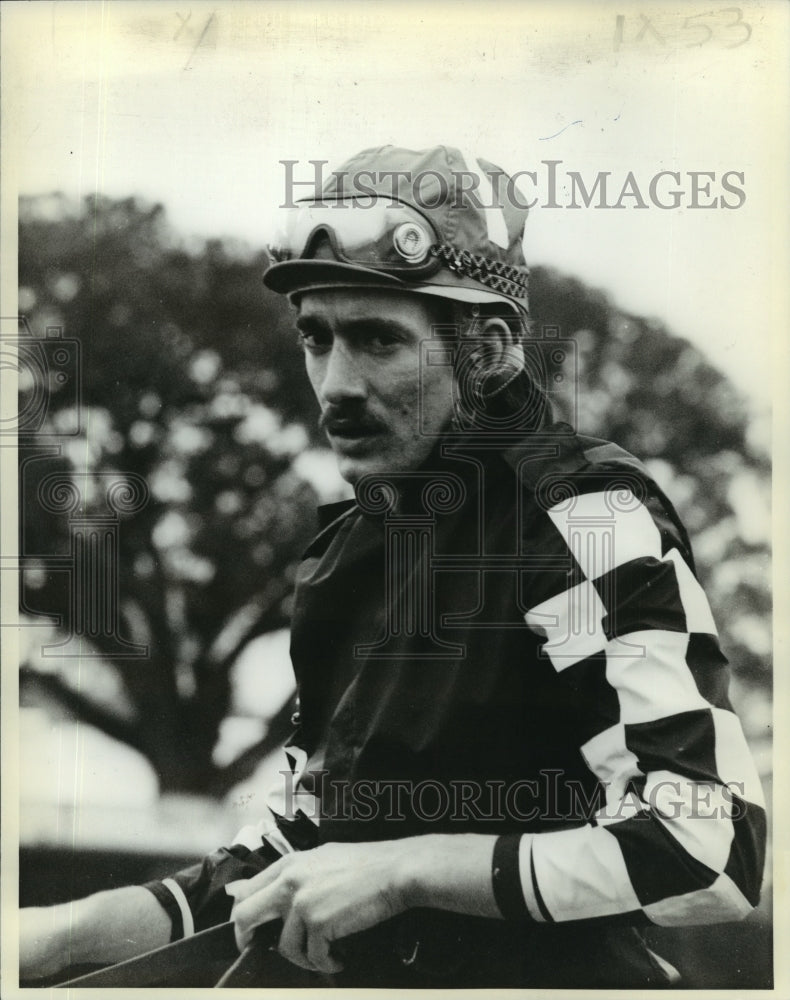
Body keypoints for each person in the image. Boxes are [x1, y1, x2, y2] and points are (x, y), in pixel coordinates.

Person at [19, 145, 766, 988]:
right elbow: (289, 861)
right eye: (316, 337)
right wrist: (65, 929)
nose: (335, 383)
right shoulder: (348, 556)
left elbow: (709, 851)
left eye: (378, 339)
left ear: (486, 354)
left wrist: (404, 868)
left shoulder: (586, 516)